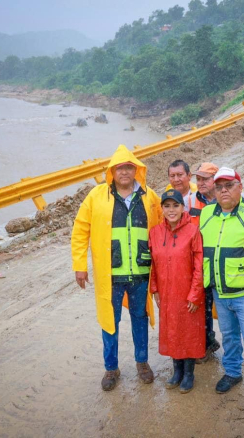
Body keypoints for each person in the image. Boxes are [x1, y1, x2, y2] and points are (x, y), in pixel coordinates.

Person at [71, 144, 163, 392]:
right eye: (119, 168)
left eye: (129, 168)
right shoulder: (97, 196)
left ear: (136, 171)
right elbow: (80, 230)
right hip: (110, 275)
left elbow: (165, 228)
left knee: (140, 319)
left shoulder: (149, 196)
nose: (124, 172)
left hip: (141, 274)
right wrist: (80, 266)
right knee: (109, 322)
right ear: (112, 171)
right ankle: (111, 368)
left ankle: (142, 362)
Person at [199, 166, 244, 413]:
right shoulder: (207, 214)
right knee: (228, 336)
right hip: (220, 293)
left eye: (229, 185)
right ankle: (232, 372)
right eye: (219, 187)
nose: (223, 191)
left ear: (240, 187)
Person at [149, 190, 205, 393]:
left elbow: (199, 266)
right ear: (162, 208)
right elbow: (152, 265)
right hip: (166, 293)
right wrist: (154, 288)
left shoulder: (193, 231)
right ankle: (177, 371)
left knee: (188, 332)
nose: (171, 210)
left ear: (183, 208)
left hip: (187, 292)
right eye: (167, 206)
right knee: (172, 330)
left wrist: (195, 294)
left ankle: (189, 373)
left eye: (175, 205)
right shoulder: (155, 232)